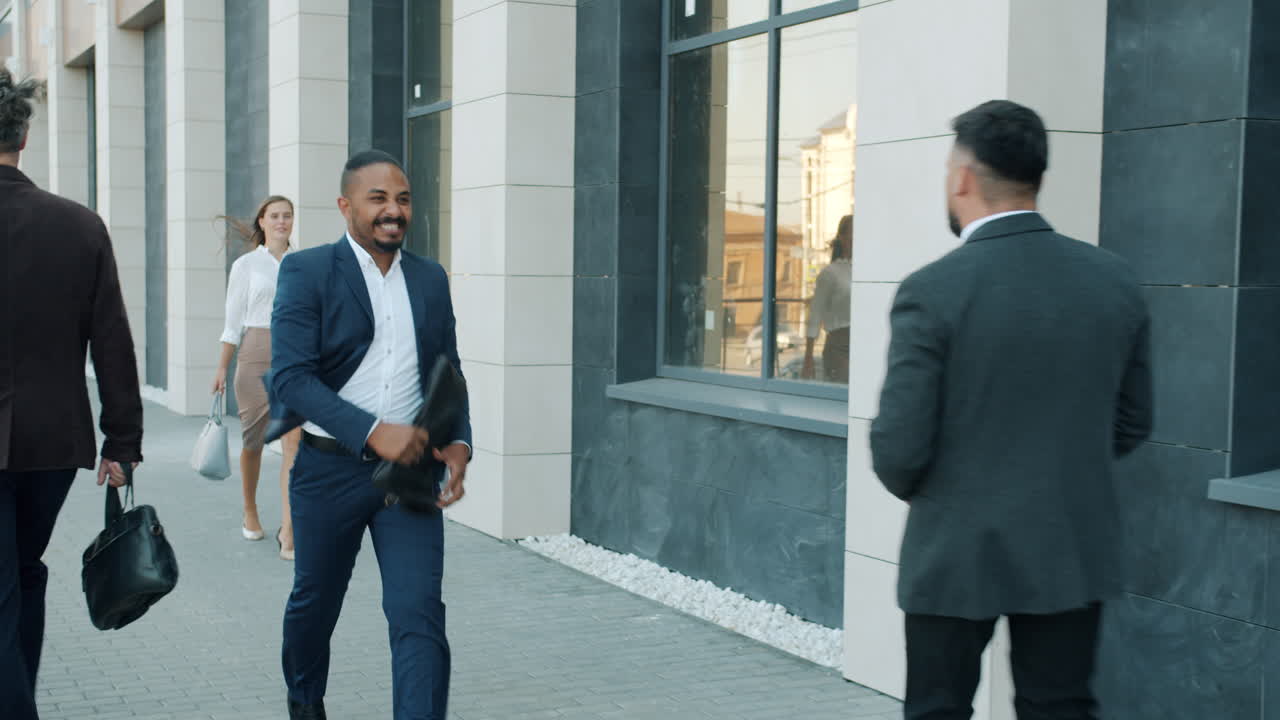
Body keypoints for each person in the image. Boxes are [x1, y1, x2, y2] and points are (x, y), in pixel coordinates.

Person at [869, 100, 1153, 719]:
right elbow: (1133, 422)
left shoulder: (932, 290)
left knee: (938, 711)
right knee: (1060, 707)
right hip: (1070, 543)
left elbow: (899, 448)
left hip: (955, 546)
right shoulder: (1114, 281)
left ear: (964, 177)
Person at [266, 150, 472, 720]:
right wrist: (372, 432)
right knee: (315, 605)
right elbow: (291, 378)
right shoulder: (307, 270)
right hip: (328, 471)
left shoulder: (430, 278)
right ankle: (305, 698)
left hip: (410, 476)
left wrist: (459, 440)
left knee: (418, 614)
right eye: (378, 198)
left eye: (402, 199)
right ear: (345, 206)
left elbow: (448, 368)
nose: (393, 211)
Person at [0, 69, 143, 719]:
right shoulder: (79, 226)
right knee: (22, 570)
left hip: (38, 444)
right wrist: (123, 442)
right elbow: (113, 340)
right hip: (54, 444)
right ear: (24, 136)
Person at [213, 195, 302, 560]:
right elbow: (233, 322)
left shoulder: (303, 263)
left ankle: (290, 533)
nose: (282, 221)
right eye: (275, 216)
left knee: (294, 445)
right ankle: (250, 510)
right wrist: (221, 366)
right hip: (253, 355)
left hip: (295, 357)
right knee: (253, 443)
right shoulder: (246, 265)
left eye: (288, 216)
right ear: (262, 222)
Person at [802, 214, 852, 383]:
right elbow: (815, 315)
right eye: (852, 233)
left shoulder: (868, 272)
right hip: (840, 348)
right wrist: (808, 358)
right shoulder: (830, 274)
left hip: (866, 344)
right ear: (842, 238)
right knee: (843, 400)